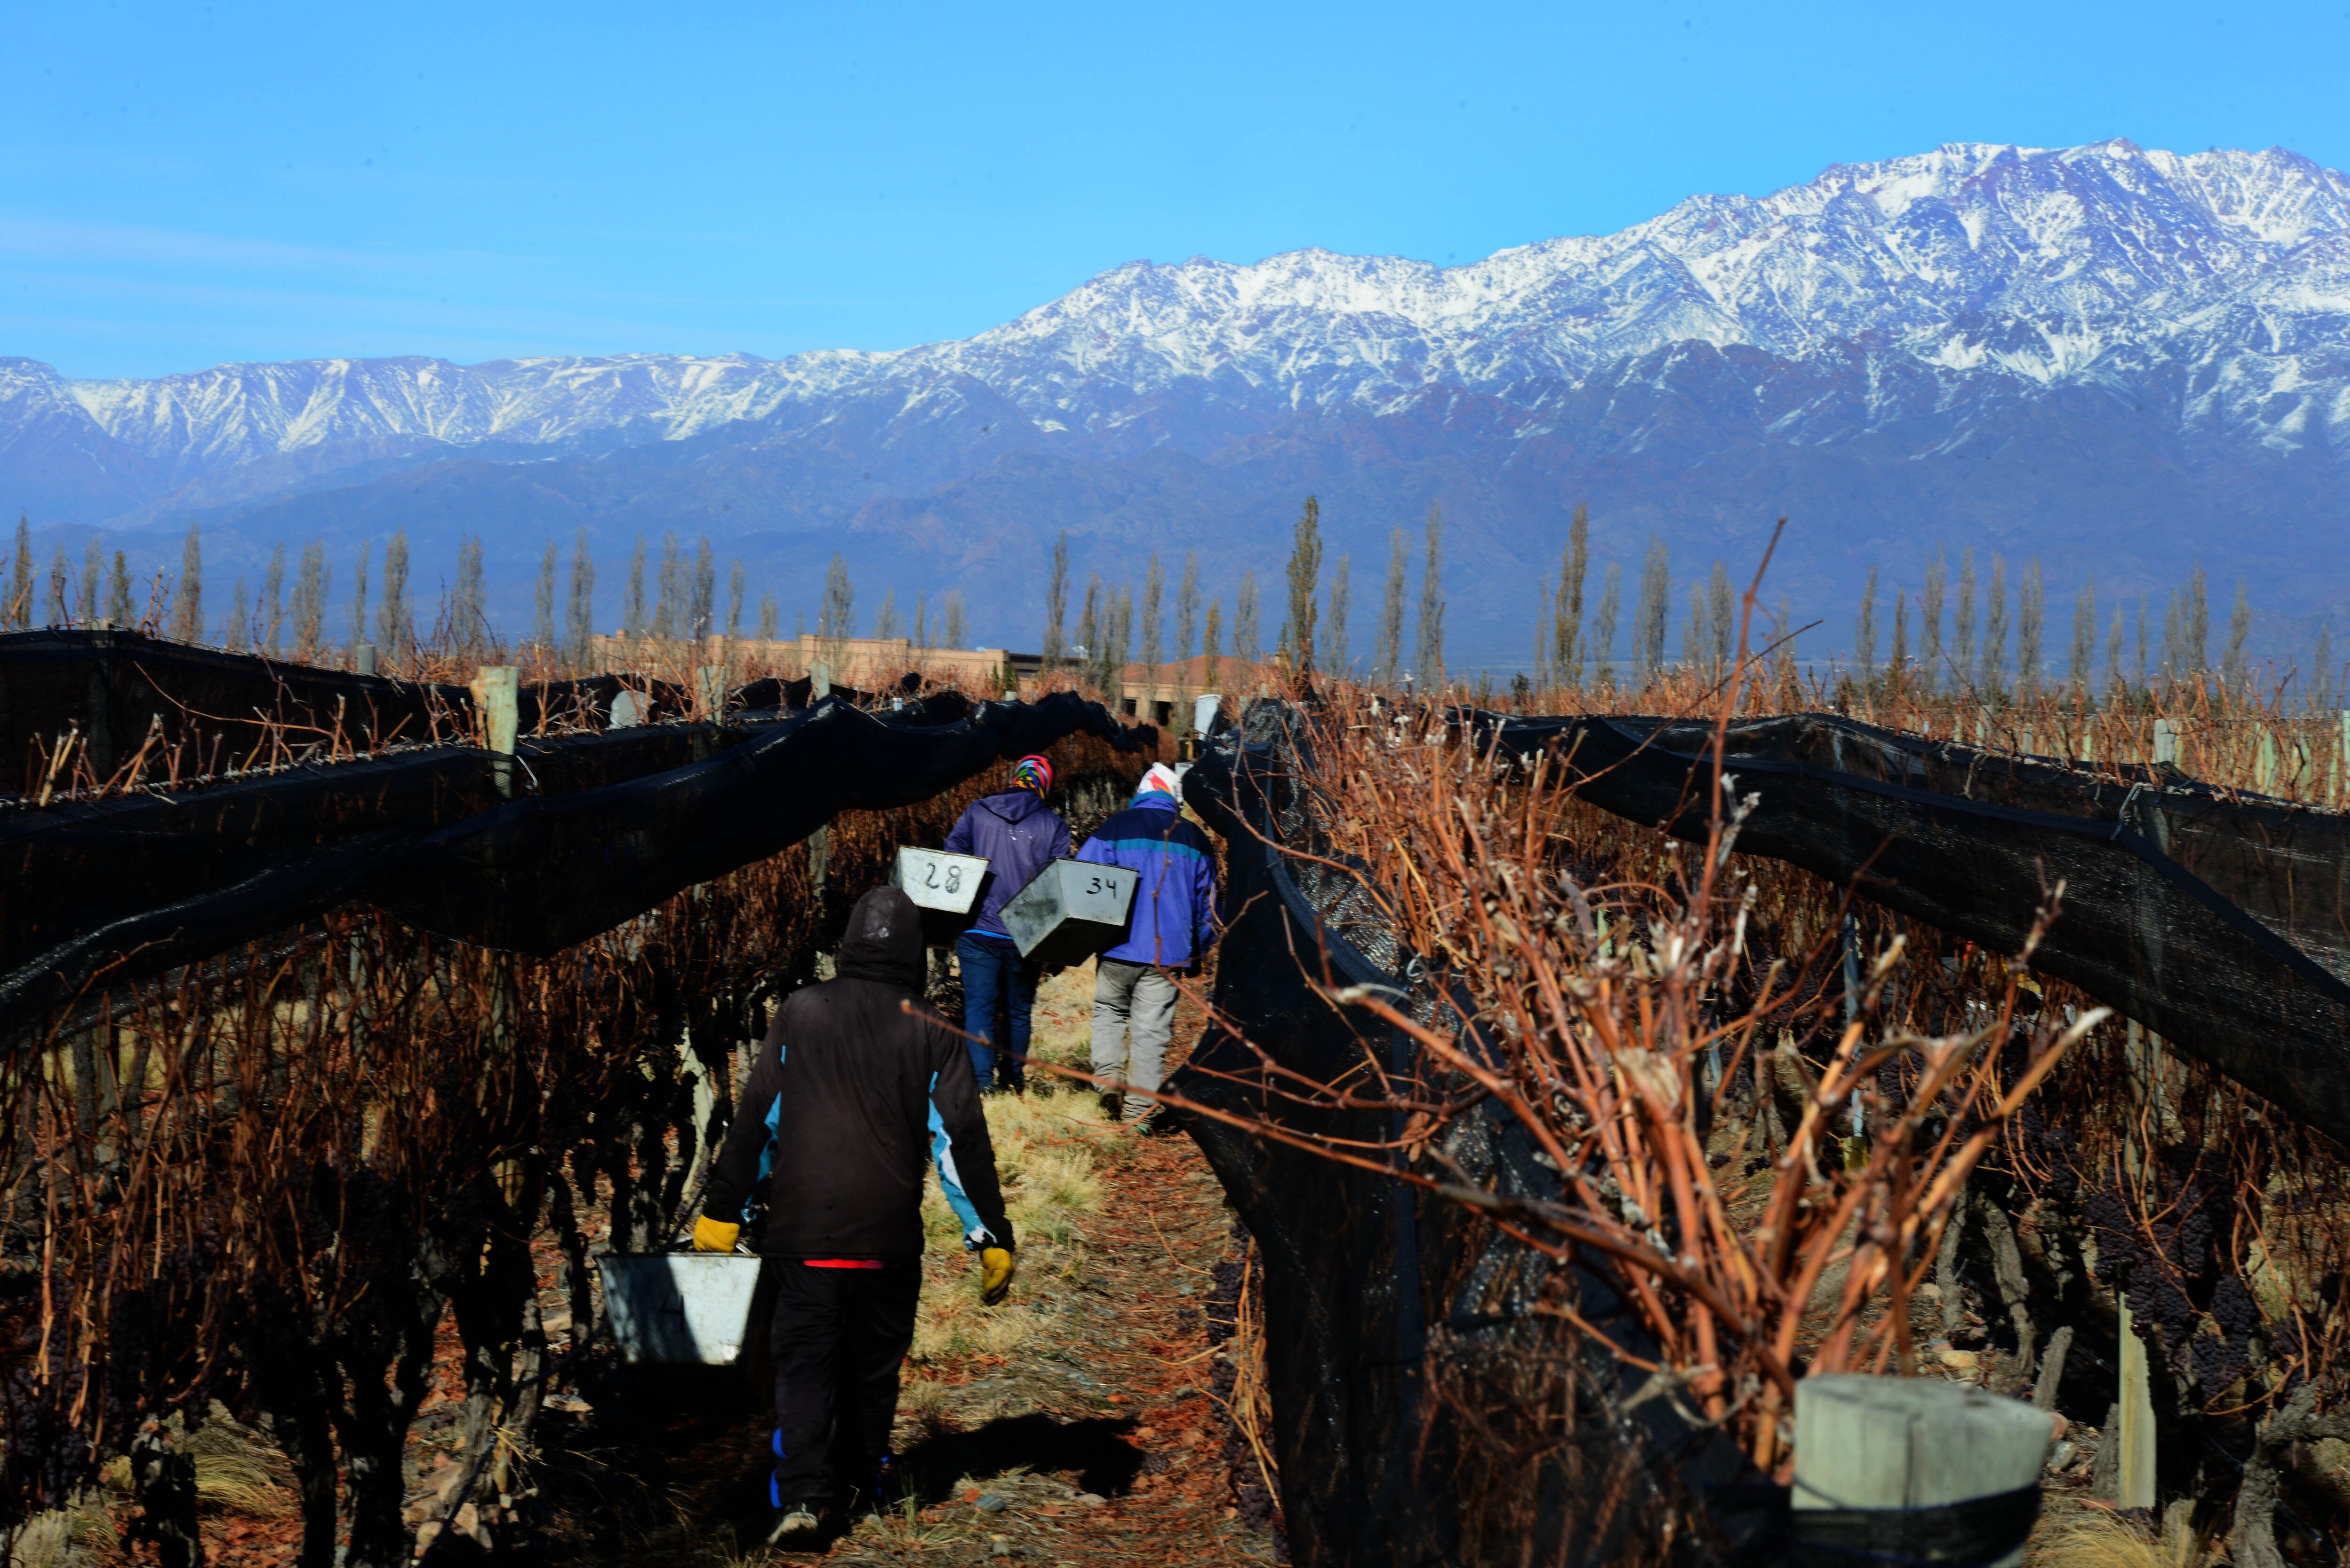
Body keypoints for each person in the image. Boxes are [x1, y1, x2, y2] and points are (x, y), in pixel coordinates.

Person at [693, 885, 1016, 1549]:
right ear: (914, 953)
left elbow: (759, 1118)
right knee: (872, 1371)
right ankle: (863, 1482)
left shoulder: (800, 1012)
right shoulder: (932, 1027)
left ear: (847, 944)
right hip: (886, 1241)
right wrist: (990, 1236)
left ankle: (805, 1500)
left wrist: (724, 1210)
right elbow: (960, 1139)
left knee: (804, 1369)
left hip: (802, 1237)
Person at [1076, 762, 1217, 1126]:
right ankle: (1140, 1112)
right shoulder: (1194, 838)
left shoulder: (1114, 827)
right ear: (1174, 797)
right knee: (1151, 1030)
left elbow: (1080, 880)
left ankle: (1108, 1082)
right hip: (1167, 954)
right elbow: (1209, 906)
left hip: (1116, 945)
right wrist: (1197, 949)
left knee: (1109, 1011)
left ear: (1142, 791)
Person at [942, 754, 1070, 1093]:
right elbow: (1058, 883)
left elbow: (952, 850)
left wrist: (977, 886)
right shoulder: (1054, 825)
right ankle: (1015, 1080)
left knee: (979, 1008)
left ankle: (983, 1084)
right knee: (1018, 1011)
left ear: (1016, 777)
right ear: (1044, 784)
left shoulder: (978, 810)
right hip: (1025, 936)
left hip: (977, 930)